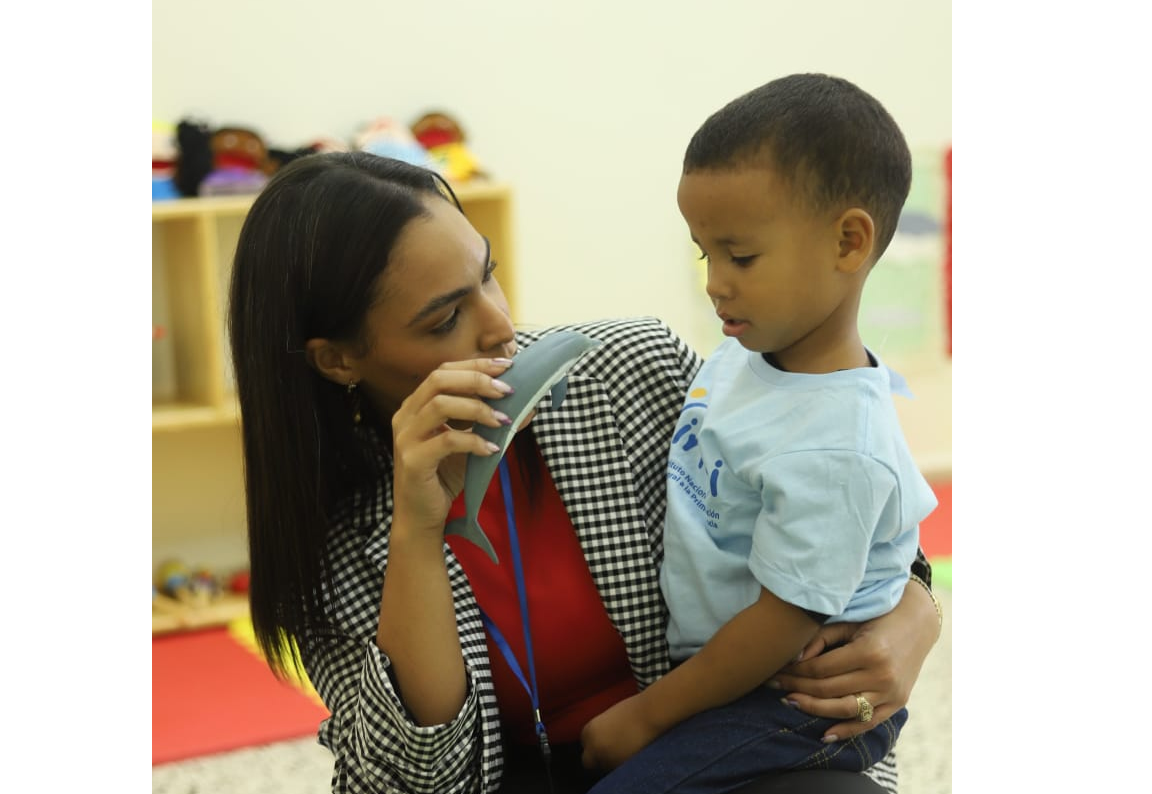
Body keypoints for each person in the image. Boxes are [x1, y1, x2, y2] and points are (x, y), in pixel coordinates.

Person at [226, 148, 944, 794]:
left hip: (709, 746)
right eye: (445, 319)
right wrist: (417, 530)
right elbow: (422, 780)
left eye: (488, 277)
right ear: (338, 359)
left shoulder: (631, 372)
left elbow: (835, 500)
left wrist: (916, 612)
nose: (500, 326)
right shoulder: (331, 532)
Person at [579, 73, 942, 794]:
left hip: (789, 699)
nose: (715, 281)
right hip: (728, 672)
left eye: (739, 257)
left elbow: (780, 625)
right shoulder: (744, 355)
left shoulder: (836, 444)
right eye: (703, 252)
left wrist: (647, 717)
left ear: (847, 242)